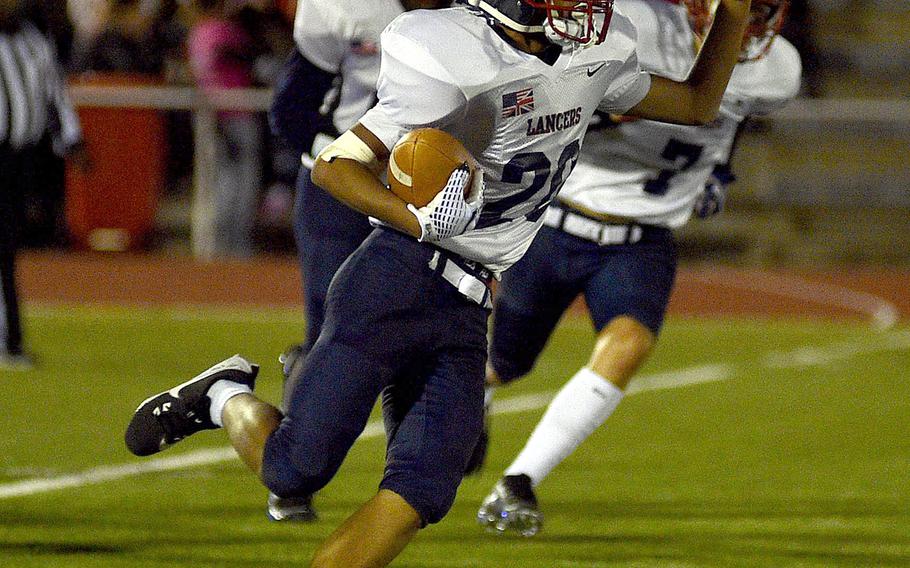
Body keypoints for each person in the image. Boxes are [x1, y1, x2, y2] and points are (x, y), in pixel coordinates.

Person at [125, 1, 753, 565]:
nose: (592, 6)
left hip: (470, 301)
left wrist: (733, 12)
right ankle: (223, 395)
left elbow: (698, 105)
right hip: (394, 279)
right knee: (295, 470)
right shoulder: (452, 48)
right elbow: (337, 167)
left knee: (423, 492)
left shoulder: (597, 56)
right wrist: (417, 219)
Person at [476, 0, 801, 537]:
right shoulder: (635, 25)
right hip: (558, 220)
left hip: (642, 239)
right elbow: (548, 98)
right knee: (503, 363)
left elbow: (730, 124)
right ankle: (480, 395)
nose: (750, 16)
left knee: (629, 344)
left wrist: (719, 173)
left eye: (761, 5)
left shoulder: (779, 69)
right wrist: (605, 110)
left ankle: (518, 482)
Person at [266, 0, 452, 522]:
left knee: (433, 313)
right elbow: (292, 110)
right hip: (343, 187)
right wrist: (350, 159)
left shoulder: (475, 15)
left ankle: (418, 456)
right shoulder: (341, 7)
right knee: (330, 323)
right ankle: (293, 471)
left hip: (434, 188)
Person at [1, 0, 86, 370]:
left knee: (5, 248)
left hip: (21, 159)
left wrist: (72, 139)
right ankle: (9, 339)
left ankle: (10, 339)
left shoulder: (34, 39)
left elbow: (54, 93)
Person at [186, 0, 263, 258]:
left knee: (226, 182)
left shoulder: (198, 33)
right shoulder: (222, 31)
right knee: (234, 184)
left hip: (216, 115)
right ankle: (231, 247)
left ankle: (221, 246)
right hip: (232, 115)